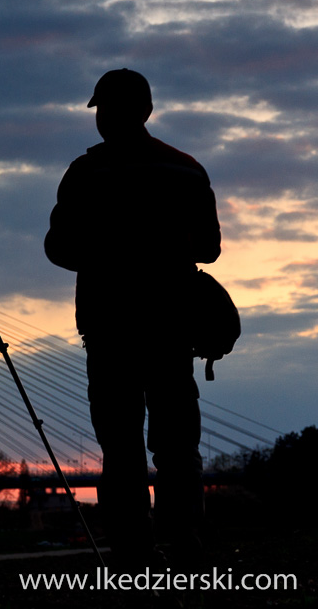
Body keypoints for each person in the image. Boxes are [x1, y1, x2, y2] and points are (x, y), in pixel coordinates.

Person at [45, 69, 220, 569]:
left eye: (102, 109)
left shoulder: (86, 173)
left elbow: (58, 248)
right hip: (172, 328)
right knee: (177, 443)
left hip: (110, 327)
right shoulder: (186, 170)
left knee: (120, 446)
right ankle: (183, 545)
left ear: (107, 114)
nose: (101, 119)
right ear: (146, 111)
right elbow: (209, 249)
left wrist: (106, 254)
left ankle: (132, 553)